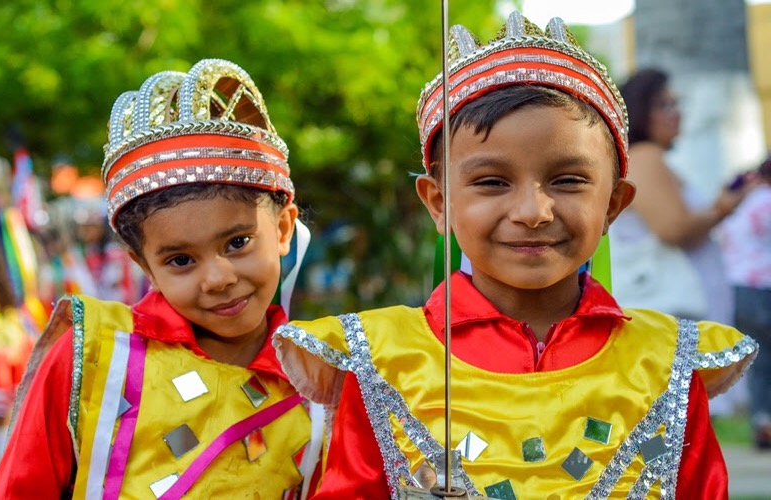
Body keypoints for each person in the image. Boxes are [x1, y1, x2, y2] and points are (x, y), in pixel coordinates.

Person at [273, 12, 758, 499]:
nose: (533, 212)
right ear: (439, 202)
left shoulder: (665, 362)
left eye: (568, 180)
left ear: (613, 204)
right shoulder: (383, 361)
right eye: (492, 182)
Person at [0, 58, 321, 499]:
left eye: (238, 242)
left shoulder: (322, 381)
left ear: (281, 229)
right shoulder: (92, 357)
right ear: (144, 266)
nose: (218, 279)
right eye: (181, 261)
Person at [609, 68, 752, 417]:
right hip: (666, 303)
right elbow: (672, 227)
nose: (676, 113)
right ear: (639, 111)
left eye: (676, 103)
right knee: (673, 416)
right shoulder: (644, 157)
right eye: (664, 104)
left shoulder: (650, 159)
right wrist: (720, 211)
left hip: (675, 299)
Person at [720, 156, 771, 449]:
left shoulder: (742, 200)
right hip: (765, 285)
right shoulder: (766, 202)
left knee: (759, 360)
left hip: (740, 287)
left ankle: (762, 421)